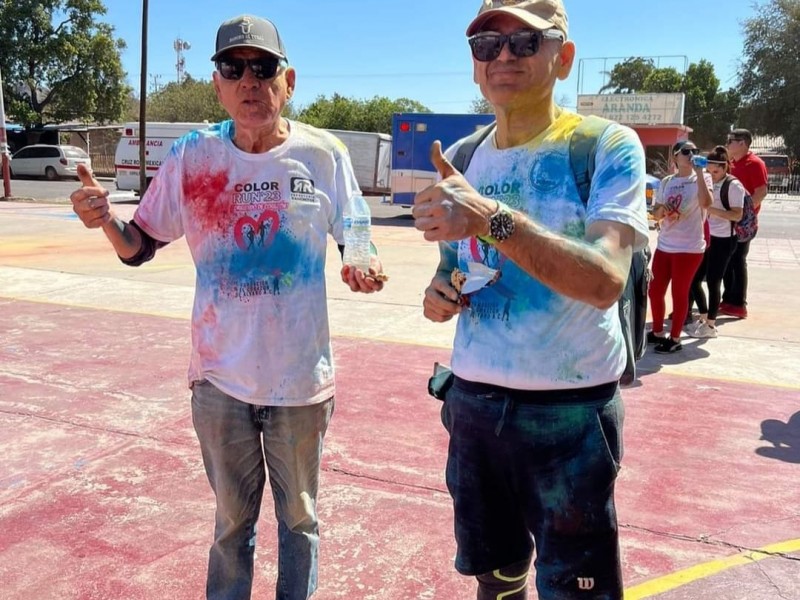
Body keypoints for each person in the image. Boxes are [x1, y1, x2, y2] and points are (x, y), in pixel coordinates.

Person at [69, 14, 385, 600]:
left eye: (263, 68)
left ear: (287, 80)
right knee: (231, 527)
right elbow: (140, 245)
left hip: (300, 385)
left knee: (300, 525)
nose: (250, 80)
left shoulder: (324, 154)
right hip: (219, 383)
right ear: (217, 84)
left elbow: (358, 235)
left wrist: (363, 263)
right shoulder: (194, 158)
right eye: (233, 68)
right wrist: (105, 220)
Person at [412, 1, 648, 598]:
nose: (503, 56)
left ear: (562, 57)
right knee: (495, 576)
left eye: (525, 42)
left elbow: (604, 282)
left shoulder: (602, 146)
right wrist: (439, 295)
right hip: (474, 403)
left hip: (570, 413)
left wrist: (492, 217)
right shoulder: (463, 155)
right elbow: (454, 268)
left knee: (577, 589)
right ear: (474, 65)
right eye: (487, 44)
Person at [647, 140, 713, 353]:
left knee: (679, 292)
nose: (692, 154)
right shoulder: (666, 181)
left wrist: (701, 173)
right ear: (675, 157)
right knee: (655, 290)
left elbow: (706, 203)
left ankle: (675, 338)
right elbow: (655, 213)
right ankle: (657, 331)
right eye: (686, 151)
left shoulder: (702, 178)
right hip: (666, 243)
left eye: (695, 150)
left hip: (689, 246)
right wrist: (662, 211)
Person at [687, 146, 744, 338]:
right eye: (709, 171)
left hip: (724, 239)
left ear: (726, 167)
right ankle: (703, 317)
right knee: (694, 279)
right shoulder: (705, 181)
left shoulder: (733, 185)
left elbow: (737, 214)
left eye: (716, 171)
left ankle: (711, 325)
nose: (712, 174)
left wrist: (711, 209)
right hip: (705, 238)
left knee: (713, 281)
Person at [720, 128, 767, 319]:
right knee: (727, 261)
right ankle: (728, 298)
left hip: (742, 223)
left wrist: (744, 215)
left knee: (738, 261)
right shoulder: (730, 163)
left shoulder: (755, 163)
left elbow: (761, 191)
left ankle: (739, 303)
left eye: (731, 140)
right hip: (727, 220)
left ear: (742, 143)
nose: (728, 143)